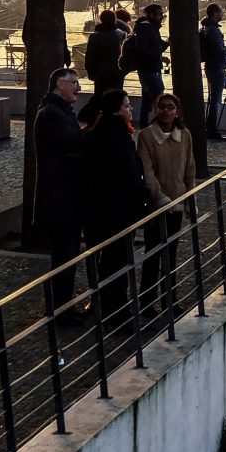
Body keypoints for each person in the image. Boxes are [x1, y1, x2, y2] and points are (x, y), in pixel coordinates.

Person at [79, 87, 150, 321]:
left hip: (97, 210)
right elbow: (129, 173)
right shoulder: (118, 136)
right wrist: (144, 198)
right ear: (117, 110)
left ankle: (107, 306)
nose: (131, 109)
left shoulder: (96, 132)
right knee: (117, 260)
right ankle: (117, 311)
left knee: (106, 260)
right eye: (127, 105)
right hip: (117, 211)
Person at [29, 68, 87, 317]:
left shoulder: (57, 111)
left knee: (67, 253)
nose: (78, 87)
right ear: (59, 85)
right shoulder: (53, 114)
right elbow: (74, 143)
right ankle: (60, 309)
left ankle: (62, 306)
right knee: (65, 254)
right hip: (59, 199)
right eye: (74, 83)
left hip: (62, 197)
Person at [135, 92, 197, 318]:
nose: (166, 111)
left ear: (177, 111)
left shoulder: (185, 135)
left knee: (171, 254)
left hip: (178, 203)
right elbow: (147, 172)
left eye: (171, 108)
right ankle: (147, 301)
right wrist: (159, 197)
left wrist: (191, 200)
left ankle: (170, 299)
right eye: (162, 107)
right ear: (155, 109)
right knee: (152, 254)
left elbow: (190, 169)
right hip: (156, 205)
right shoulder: (147, 136)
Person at [120, 4, 167, 112]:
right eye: (159, 14)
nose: (162, 16)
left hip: (150, 68)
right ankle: (158, 124)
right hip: (149, 69)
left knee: (147, 100)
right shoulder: (146, 28)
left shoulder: (151, 27)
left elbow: (154, 47)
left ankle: (144, 125)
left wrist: (165, 44)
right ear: (151, 14)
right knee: (159, 96)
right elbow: (142, 49)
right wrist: (159, 58)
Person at [199, 4, 226, 140]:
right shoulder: (213, 30)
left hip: (211, 67)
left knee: (213, 99)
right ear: (215, 13)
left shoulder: (206, 28)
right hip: (217, 67)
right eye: (220, 11)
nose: (222, 14)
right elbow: (219, 52)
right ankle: (213, 130)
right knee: (216, 100)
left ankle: (210, 127)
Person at [83, 10, 126, 95]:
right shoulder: (121, 34)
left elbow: (89, 56)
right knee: (116, 96)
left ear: (101, 19)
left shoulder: (94, 36)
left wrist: (89, 71)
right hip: (117, 71)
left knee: (99, 96)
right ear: (114, 19)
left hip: (100, 71)